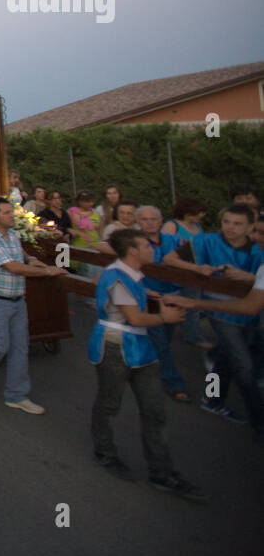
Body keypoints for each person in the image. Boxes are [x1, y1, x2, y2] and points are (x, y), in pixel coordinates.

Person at [88, 229, 205, 500]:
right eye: (146, 246)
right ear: (132, 251)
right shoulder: (116, 279)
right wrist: (166, 316)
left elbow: (140, 298)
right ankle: (104, 452)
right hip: (115, 346)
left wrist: (159, 298)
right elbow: (136, 319)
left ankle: (161, 472)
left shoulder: (130, 275)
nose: (152, 250)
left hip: (140, 348)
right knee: (109, 403)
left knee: (154, 410)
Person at [163, 203, 264, 435]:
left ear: (250, 226)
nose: (230, 228)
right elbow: (170, 259)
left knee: (224, 358)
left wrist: (249, 277)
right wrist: (198, 269)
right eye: (226, 222)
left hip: (249, 312)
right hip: (219, 311)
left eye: (238, 224)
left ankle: (211, 398)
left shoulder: (258, 248)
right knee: (243, 365)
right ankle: (259, 421)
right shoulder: (206, 241)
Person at [0, 196, 67, 413]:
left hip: (17, 298)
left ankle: (16, 394)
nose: (12, 216)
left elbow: (19, 254)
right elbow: (12, 266)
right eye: (7, 213)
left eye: (12, 212)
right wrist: (46, 271)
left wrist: (30, 259)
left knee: (20, 347)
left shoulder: (10, 233)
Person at [132, 205, 191, 401]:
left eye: (153, 219)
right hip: (149, 299)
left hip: (173, 295)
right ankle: (174, 384)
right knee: (160, 342)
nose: (149, 223)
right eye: (144, 219)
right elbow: (104, 246)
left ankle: (143, 364)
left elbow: (194, 255)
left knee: (165, 338)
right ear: (137, 222)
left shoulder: (175, 240)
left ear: (160, 221)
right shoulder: (132, 242)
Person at [162, 197, 210, 346]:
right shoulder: (172, 226)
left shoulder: (197, 227)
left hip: (194, 272)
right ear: (188, 212)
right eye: (199, 212)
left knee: (193, 304)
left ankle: (192, 333)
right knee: (176, 301)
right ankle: (187, 334)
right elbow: (165, 249)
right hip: (176, 271)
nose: (202, 215)